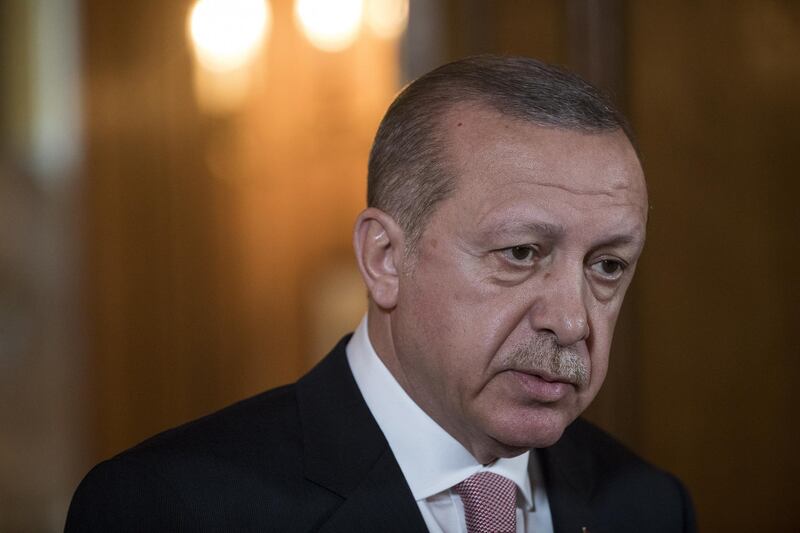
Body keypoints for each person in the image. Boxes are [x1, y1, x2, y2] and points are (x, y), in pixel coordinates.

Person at [66, 56, 696, 532]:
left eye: (608, 266)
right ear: (385, 259)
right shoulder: (171, 507)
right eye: (521, 254)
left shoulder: (648, 506)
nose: (571, 319)